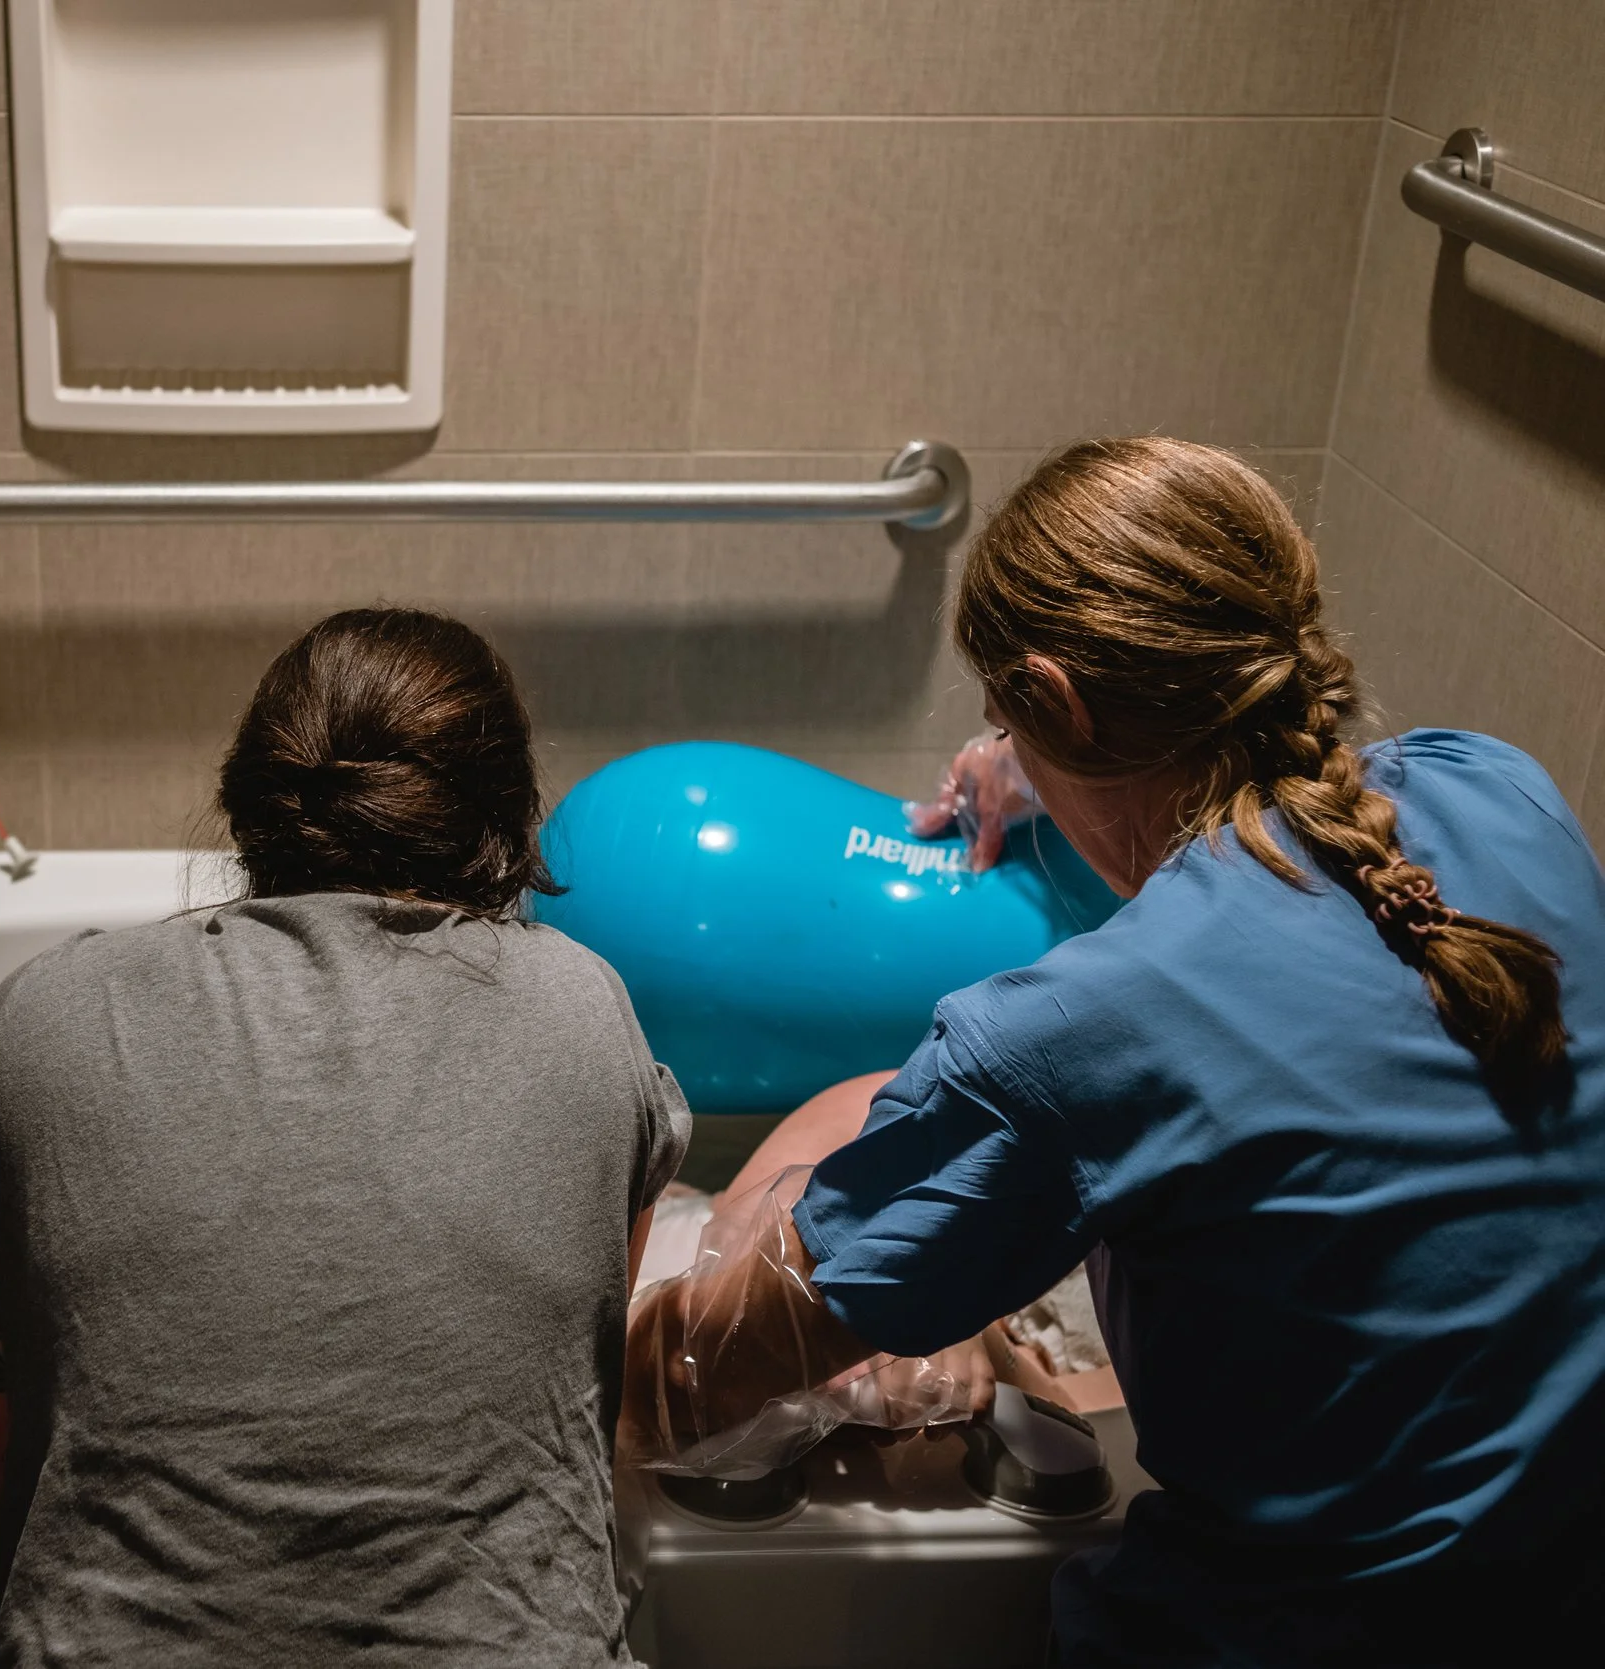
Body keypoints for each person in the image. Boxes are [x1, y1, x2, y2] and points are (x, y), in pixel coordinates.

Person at [623, 437, 1605, 1664]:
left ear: (1055, 699)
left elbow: (707, 1365)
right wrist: (1062, 769)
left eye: (1009, 718)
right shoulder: (1498, 787)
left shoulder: (1079, 1032)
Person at [0, 607, 690, 1666]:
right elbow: (574, 1374)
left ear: (248, 799)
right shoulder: (582, 1010)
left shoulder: (43, 1014)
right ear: (502, 819)